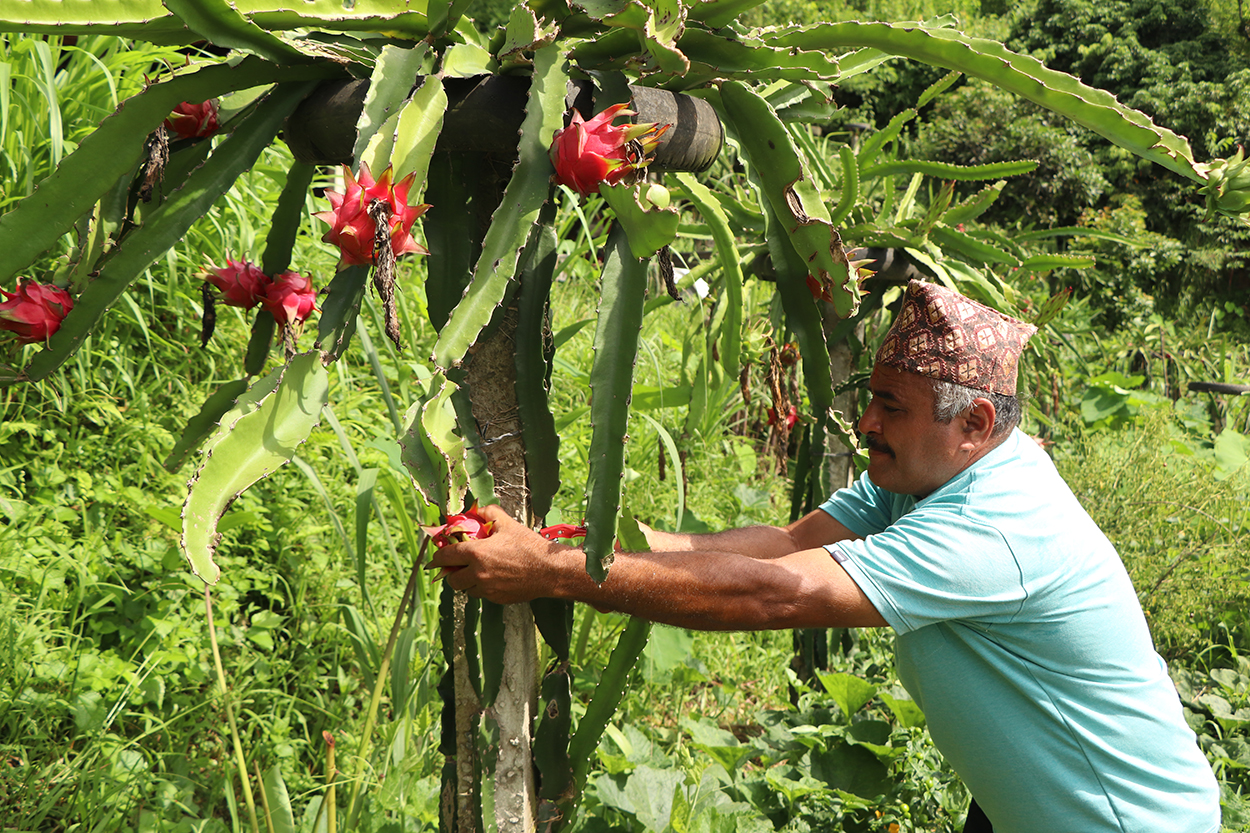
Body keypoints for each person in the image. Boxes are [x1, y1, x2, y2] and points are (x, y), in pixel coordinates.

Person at [431, 280, 1222, 833]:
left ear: (975, 422)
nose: (866, 423)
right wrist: (568, 541)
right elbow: (784, 544)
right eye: (871, 397)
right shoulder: (921, 476)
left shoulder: (995, 524)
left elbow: (773, 593)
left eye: (892, 406)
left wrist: (555, 575)